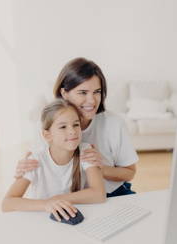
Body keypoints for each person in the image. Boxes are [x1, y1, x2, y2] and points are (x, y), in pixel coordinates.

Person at [15, 57, 139, 197]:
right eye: (83, 92)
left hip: (110, 193)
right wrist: (23, 169)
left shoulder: (113, 123)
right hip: (70, 198)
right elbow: (36, 164)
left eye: (97, 92)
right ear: (64, 93)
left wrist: (99, 168)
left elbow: (130, 173)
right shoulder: (48, 124)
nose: (92, 100)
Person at [2, 99, 105, 221]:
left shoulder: (85, 151)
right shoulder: (36, 160)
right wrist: (46, 204)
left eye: (76, 124)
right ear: (47, 135)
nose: (72, 131)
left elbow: (99, 194)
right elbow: (7, 203)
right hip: (41, 217)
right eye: (63, 127)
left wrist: (58, 199)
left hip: (70, 215)